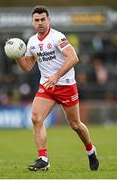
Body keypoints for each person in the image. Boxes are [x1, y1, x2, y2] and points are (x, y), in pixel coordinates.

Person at [16, 6, 99, 171]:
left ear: (48, 20)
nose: (40, 23)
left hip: (66, 86)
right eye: (36, 20)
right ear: (33, 22)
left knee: (75, 125)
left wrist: (56, 76)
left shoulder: (57, 37)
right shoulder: (32, 41)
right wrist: (16, 55)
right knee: (36, 118)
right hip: (46, 87)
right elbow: (26, 67)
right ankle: (43, 159)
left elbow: (73, 57)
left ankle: (90, 150)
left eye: (42, 19)